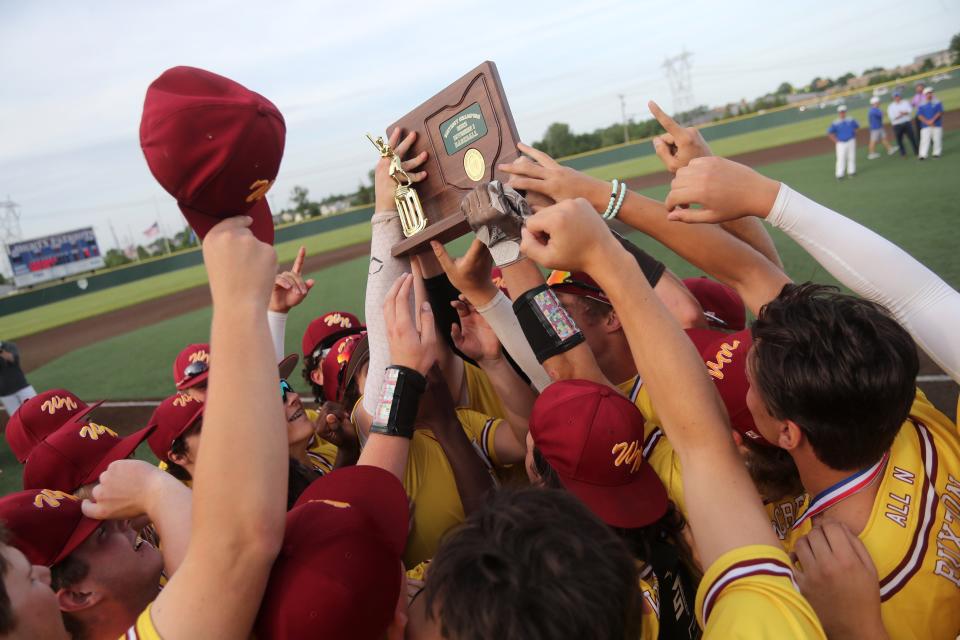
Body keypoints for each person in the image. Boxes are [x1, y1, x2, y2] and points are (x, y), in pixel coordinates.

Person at [660, 155, 960, 639]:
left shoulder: (813, 585)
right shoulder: (897, 410)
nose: (748, 380)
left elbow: (925, 300)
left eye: (752, 382)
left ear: (785, 432)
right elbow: (758, 277)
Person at [0, 340, 36, 416]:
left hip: (22, 387)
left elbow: (12, 359)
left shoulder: (9, 346)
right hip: (5, 393)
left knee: (36, 409)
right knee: (16, 419)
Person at [827, 105, 858, 179]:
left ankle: (851, 172)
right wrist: (836, 141)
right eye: (841, 112)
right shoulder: (835, 122)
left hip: (851, 141)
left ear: (845, 112)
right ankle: (839, 174)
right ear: (839, 113)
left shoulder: (851, 120)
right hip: (841, 143)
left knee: (851, 157)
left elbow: (856, 127)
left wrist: (853, 135)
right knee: (841, 158)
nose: (842, 113)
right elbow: (830, 133)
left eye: (843, 112)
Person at [887, 90, 918, 157]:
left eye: (898, 96)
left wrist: (904, 113)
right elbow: (892, 117)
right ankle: (903, 153)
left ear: (900, 96)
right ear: (893, 98)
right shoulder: (891, 106)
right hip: (897, 125)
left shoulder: (905, 102)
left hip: (907, 123)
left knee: (912, 138)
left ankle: (916, 151)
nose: (897, 98)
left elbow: (910, 110)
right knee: (899, 140)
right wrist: (901, 115)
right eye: (895, 97)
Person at [917, 86, 944, 160]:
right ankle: (922, 155)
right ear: (925, 94)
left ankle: (936, 153)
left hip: (936, 124)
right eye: (928, 93)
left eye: (931, 93)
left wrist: (932, 121)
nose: (930, 94)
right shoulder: (921, 104)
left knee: (937, 139)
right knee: (924, 140)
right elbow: (919, 115)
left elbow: (940, 112)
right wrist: (927, 122)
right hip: (925, 125)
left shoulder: (937, 102)